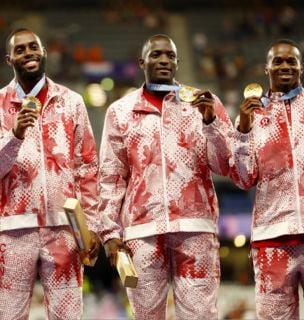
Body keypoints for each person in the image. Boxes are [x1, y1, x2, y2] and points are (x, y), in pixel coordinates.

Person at [98, 34, 234, 320]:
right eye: (156, 55)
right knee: (146, 316)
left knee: (200, 316)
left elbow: (225, 165)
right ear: (142, 61)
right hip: (142, 232)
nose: (163, 60)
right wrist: (109, 233)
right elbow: (111, 175)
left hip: (195, 227)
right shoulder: (120, 111)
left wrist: (210, 123)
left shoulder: (203, 104)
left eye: (170, 55)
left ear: (177, 61)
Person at [0, 28, 100, 319]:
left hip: (64, 228)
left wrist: (89, 226)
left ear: (44, 52)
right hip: (12, 229)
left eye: (34, 47)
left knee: (68, 315)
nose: (28, 52)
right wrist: (14, 135)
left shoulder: (71, 101)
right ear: (10, 59)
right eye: (20, 49)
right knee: (8, 314)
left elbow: (87, 167)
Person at [231, 38, 304, 319]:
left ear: (301, 68)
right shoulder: (251, 116)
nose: (285, 66)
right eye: (278, 61)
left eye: (291, 61)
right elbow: (243, 179)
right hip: (272, 237)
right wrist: (243, 131)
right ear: (266, 68)